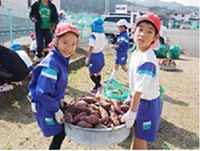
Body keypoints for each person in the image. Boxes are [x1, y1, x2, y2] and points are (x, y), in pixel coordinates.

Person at [28, 23, 80, 149]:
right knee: (59, 131)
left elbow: (55, 85)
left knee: (61, 131)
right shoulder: (51, 65)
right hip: (44, 104)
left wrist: (60, 98)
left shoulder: (61, 58)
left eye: (73, 44)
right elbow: (42, 93)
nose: (69, 48)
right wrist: (56, 110)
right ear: (56, 42)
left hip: (51, 101)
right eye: (65, 43)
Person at [121, 13, 162, 149]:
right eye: (140, 29)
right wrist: (129, 96)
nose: (142, 34)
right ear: (134, 31)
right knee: (136, 134)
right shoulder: (136, 53)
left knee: (140, 139)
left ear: (155, 37)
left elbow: (139, 90)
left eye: (149, 31)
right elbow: (134, 82)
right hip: (138, 101)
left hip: (147, 104)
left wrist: (132, 112)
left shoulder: (147, 61)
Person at [85, 17, 108, 94]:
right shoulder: (103, 34)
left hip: (94, 56)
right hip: (100, 54)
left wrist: (87, 58)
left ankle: (99, 86)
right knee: (98, 72)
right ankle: (96, 88)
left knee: (91, 73)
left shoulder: (93, 35)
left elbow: (91, 47)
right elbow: (105, 45)